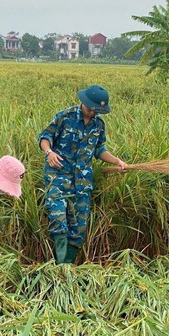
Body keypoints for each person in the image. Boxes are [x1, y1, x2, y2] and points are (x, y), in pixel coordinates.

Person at [38, 85, 127, 264]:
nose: (93, 113)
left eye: (97, 111)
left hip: (82, 182)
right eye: (92, 109)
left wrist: (117, 161)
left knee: (79, 229)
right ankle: (59, 267)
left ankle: (68, 267)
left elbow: (99, 149)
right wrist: (49, 153)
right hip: (58, 177)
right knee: (58, 220)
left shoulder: (99, 125)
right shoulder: (65, 116)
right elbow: (45, 137)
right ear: (84, 103)